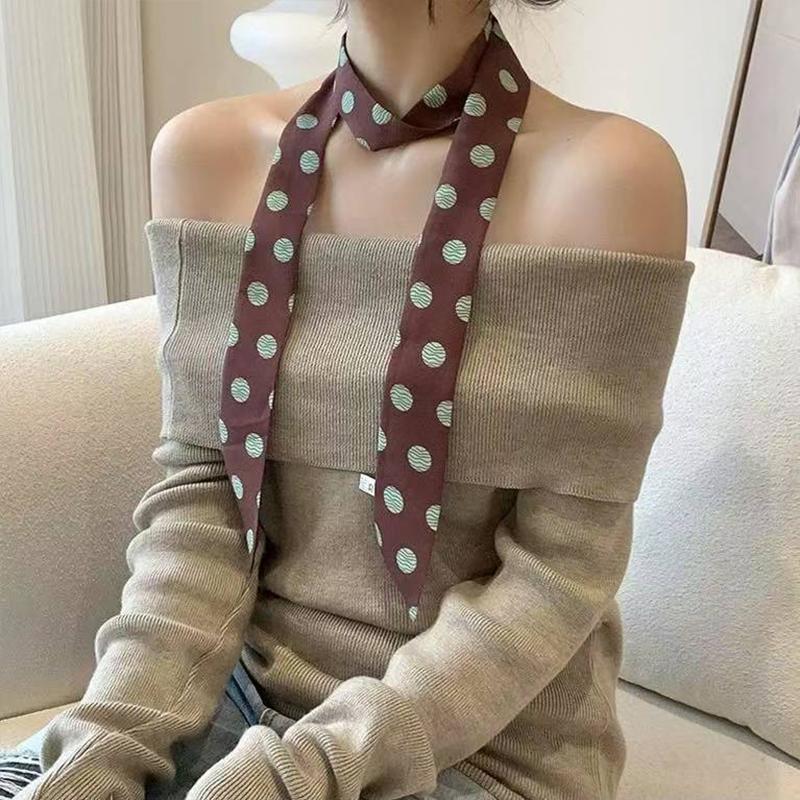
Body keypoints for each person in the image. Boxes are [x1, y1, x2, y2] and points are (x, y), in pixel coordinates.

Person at [2, 1, 693, 799]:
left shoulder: (614, 183)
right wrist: (109, 738)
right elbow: (206, 501)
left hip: (484, 753)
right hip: (237, 701)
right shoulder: (205, 155)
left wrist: (304, 775)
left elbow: (560, 572)